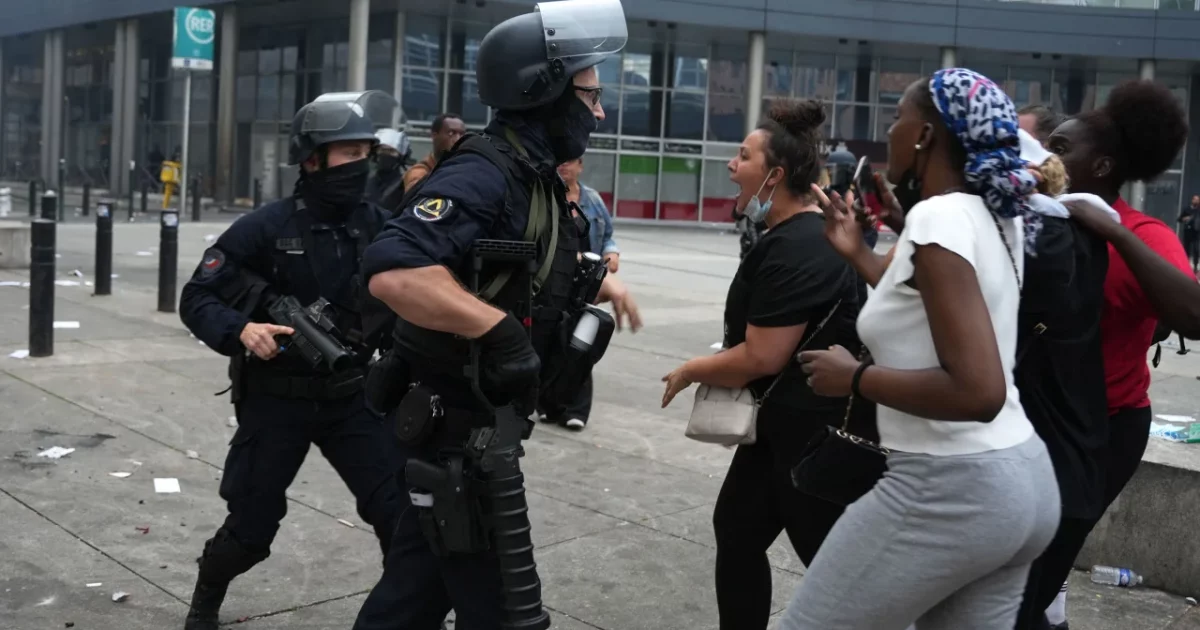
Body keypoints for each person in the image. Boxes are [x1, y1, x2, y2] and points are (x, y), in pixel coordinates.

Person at [352, 1, 640, 628]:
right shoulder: (487, 171)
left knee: (416, 593)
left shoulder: (534, 177)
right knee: (503, 609)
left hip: (483, 428)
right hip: (456, 430)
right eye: (589, 96)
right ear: (546, 90)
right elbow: (394, 270)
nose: (599, 111)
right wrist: (501, 331)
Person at [785, 68, 1060, 629]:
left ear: (925, 136)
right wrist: (859, 254)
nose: (889, 132)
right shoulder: (992, 214)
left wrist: (854, 378)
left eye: (897, 119)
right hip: (1022, 480)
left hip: (950, 487)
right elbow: (928, 303)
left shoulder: (940, 217)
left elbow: (979, 390)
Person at [177, 91, 404, 630]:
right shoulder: (264, 227)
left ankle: (408, 610)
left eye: (365, 153)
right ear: (311, 159)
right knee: (252, 531)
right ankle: (208, 591)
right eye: (347, 154)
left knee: (402, 517)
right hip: (277, 400)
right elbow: (197, 297)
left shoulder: (381, 224)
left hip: (353, 397)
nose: (360, 165)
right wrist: (241, 330)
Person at [660, 99, 860, 630]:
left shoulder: (799, 246)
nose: (731, 165)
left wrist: (692, 369)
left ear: (774, 175)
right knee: (738, 530)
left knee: (831, 565)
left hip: (809, 432)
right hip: (781, 426)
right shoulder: (789, 236)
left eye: (742, 156)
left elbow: (763, 355)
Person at [1041, 78, 1197, 630]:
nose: (1046, 157)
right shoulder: (1035, 220)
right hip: (1033, 426)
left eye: (1060, 148)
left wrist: (1114, 233)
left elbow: (1194, 316)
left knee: (1030, 580)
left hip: (1105, 430)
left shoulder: (1143, 233)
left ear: (1102, 168)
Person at [537, 156, 620, 431]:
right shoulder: (547, 195)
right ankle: (548, 405)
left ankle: (576, 410)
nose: (565, 166)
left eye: (571, 162)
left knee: (582, 344)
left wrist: (611, 253)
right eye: (561, 161)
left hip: (585, 286)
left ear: (581, 167)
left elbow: (608, 233)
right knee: (552, 341)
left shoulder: (592, 200)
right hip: (554, 283)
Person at [402, 112, 466, 191]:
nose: (458, 139)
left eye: (462, 134)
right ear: (434, 135)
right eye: (451, 133)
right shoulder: (420, 172)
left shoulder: (466, 168)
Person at [368, 127, 414, 212]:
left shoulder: (406, 186)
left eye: (391, 151)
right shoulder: (366, 183)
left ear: (401, 156)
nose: (385, 154)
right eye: (382, 150)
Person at [1178, 194, 1200, 272]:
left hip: (1196, 233)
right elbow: (1179, 219)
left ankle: (1195, 266)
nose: (1196, 201)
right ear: (1192, 200)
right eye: (1195, 199)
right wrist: (1185, 218)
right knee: (1186, 249)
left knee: (1196, 250)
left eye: (1198, 200)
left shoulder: (1198, 210)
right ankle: (1186, 265)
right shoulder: (1187, 209)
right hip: (1187, 232)